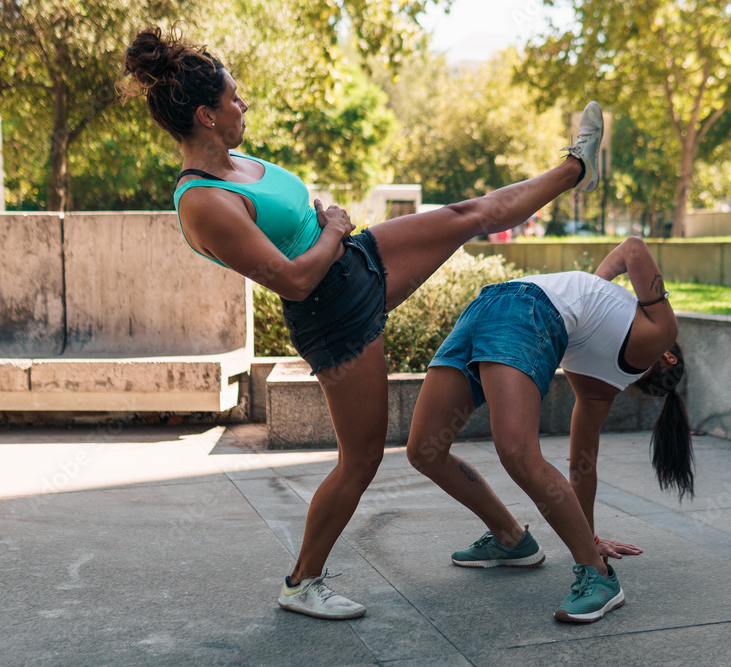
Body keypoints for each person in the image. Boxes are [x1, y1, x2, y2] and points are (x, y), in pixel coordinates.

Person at [121, 26, 605, 620]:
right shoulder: (202, 201)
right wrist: (329, 229)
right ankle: (302, 582)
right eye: (233, 98)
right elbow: (292, 279)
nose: (241, 104)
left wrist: (324, 218)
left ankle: (576, 167)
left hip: (354, 261)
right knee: (362, 459)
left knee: (464, 214)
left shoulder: (239, 159)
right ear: (206, 115)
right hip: (331, 314)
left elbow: (291, 219)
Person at [405, 236, 693, 623]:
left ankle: (600, 577)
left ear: (667, 358)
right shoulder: (649, 338)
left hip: (519, 309)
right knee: (425, 449)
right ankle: (511, 539)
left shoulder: (601, 387)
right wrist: (596, 284)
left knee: (518, 453)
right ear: (669, 357)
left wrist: (589, 541)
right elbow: (634, 248)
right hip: (497, 304)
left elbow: (582, 469)